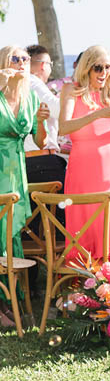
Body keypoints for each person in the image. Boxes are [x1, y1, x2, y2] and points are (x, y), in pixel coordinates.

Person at [58, 45, 110, 261]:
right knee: (86, 222)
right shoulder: (71, 90)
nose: (104, 73)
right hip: (83, 169)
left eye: (109, 67)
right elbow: (63, 128)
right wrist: (97, 114)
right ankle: (85, 276)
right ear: (86, 68)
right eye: (98, 68)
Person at [0, 46, 49, 326]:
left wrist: (41, 123)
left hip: (17, 171)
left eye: (25, 59)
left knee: (12, 234)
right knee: (0, 234)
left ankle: (12, 301)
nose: (21, 63)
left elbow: (40, 141)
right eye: (15, 58)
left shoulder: (30, 97)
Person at [23, 44, 68, 187]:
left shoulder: (20, 84)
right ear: (43, 65)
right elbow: (59, 110)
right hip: (40, 160)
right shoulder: (34, 82)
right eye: (50, 64)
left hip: (28, 160)